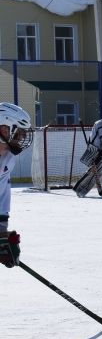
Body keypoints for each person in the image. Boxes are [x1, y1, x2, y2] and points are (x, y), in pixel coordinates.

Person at [0, 103, 33, 269]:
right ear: (4, 129)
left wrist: (4, 236)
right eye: (18, 132)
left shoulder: (7, 157)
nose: (21, 138)